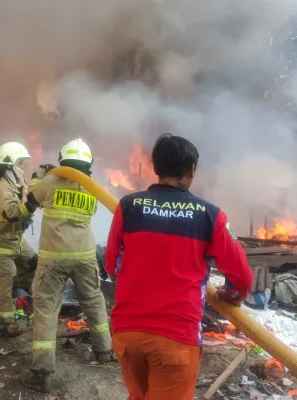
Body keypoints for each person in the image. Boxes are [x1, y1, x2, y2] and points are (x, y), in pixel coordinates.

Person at [105, 133, 253, 400]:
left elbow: (111, 265)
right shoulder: (211, 215)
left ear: (155, 167)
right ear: (192, 170)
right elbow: (241, 276)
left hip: (127, 335)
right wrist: (229, 295)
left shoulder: (128, 206)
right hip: (175, 339)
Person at [21, 138, 113, 392]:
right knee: (94, 301)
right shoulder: (93, 188)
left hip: (54, 258)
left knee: (47, 310)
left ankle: (41, 372)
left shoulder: (49, 182)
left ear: (62, 160)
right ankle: (104, 350)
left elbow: (30, 201)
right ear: (88, 164)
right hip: (84, 256)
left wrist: (40, 175)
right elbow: (91, 211)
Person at [0, 141, 38, 337]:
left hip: (14, 236)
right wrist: (32, 202)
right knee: (7, 280)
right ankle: (4, 322)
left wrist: (37, 189)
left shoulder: (14, 181)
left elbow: (27, 201)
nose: (24, 167)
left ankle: (23, 296)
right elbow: (12, 213)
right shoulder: (1, 185)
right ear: (10, 164)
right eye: (21, 162)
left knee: (32, 262)